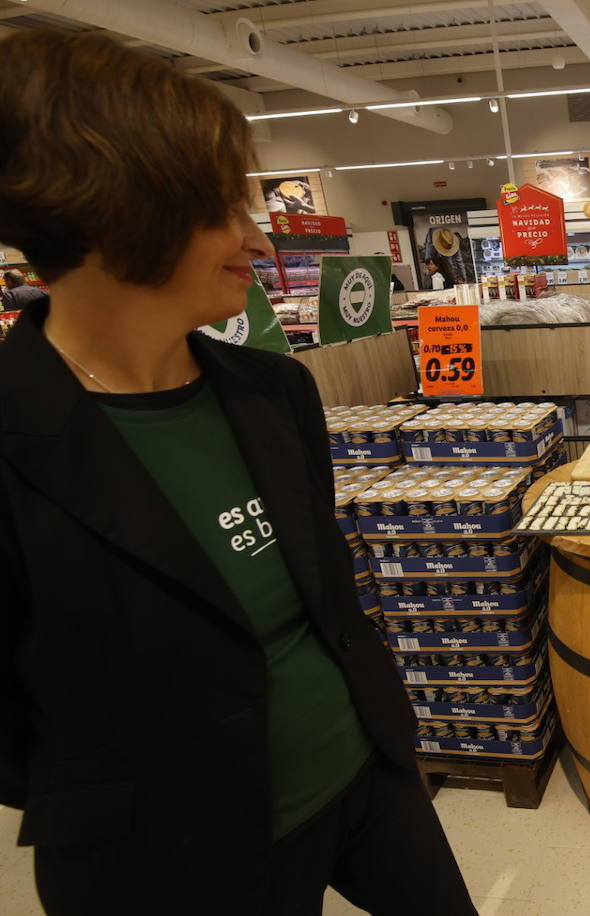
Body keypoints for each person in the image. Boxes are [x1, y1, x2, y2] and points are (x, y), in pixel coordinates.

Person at [0, 30, 477, 916]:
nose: (257, 243)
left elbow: (323, 588)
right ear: (118, 207)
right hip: (172, 855)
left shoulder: (272, 390)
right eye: (221, 208)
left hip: (367, 775)